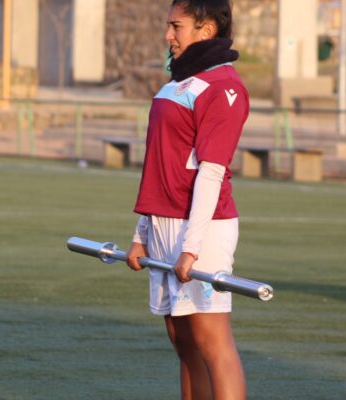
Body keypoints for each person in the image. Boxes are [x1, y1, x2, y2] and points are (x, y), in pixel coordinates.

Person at [125, 1, 249, 398]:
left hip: (203, 227)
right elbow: (159, 167)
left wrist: (192, 248)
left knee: (211, 343)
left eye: (176, 27)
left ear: (206, 29)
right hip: (163, 222)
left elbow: (211, 172)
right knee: (182, 341)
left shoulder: (224, 86)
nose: (168, 35)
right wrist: (141, 231)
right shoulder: (174, 84)